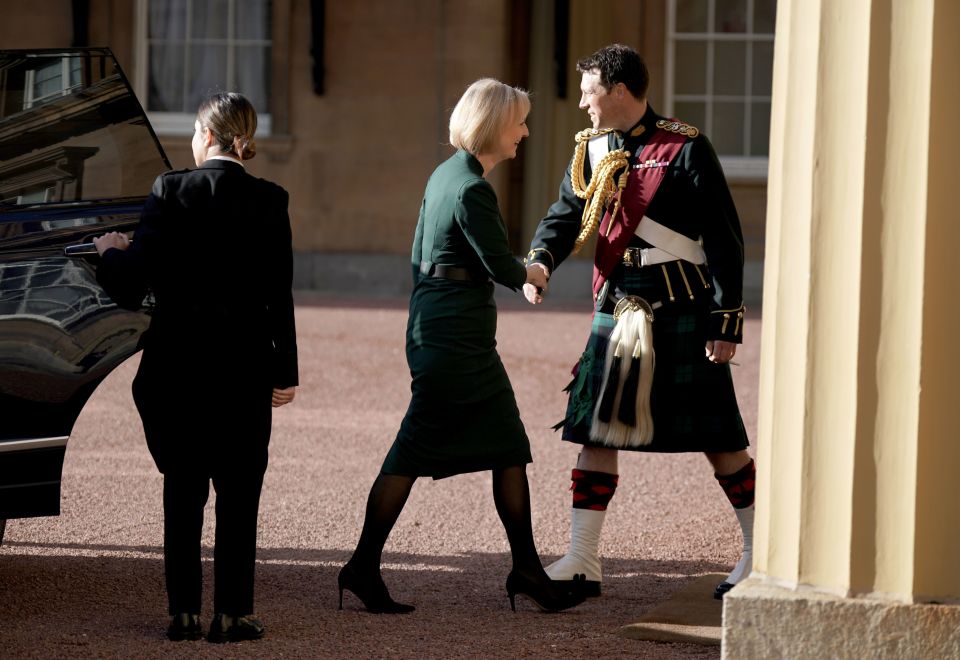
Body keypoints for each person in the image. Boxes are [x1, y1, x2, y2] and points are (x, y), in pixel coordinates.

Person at [338, 78, 583, 614]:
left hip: (442, 328)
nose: (523, 132)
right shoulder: (473, 187)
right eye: (518, 122)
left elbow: (435, 255)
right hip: (457, 341)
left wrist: (514, 275)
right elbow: (499, 263)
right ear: (494, 126)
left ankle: (525, 569)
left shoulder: (445, 174)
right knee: (419, 450)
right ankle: (362, 566)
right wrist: (533, 273)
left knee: (506, 446)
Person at [523, 44, 755, 600]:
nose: (582, 103)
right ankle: (582, 559)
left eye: (589, 91)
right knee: (595, 428)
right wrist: (540, 261)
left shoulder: (687, 147)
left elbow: (724, 239)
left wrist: (725, 321)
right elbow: (565, 215)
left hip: (682, 306)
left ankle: (757, 551)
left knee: (718, 434)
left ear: (620, 90)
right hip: (619, 303)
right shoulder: (590, 149)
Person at [93, 92, 298, 642]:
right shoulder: (271, 200)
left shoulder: (171, 190)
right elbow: (281, 294)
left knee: (182, 492)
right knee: (239, 495)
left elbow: (132, 283)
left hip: (178, 369)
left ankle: (182, 613)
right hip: (245, 372)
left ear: (206, 135)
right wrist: (286, 372)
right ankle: (233, 614)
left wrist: (110, 250)